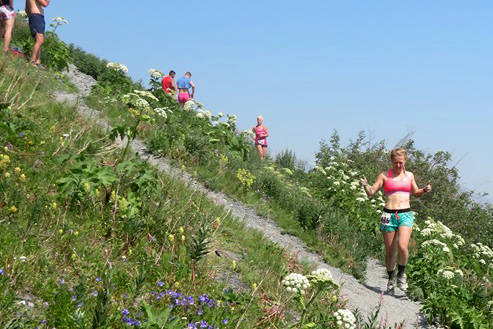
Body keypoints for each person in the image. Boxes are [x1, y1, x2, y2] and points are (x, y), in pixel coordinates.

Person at [360, 148, 431, 293]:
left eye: (401, 163)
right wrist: (365, 185)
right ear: (391, 161)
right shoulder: (385, 176)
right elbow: (371, 193)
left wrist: (424, 190)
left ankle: (401, 275)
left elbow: (416, 193)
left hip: (405, 214)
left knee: (403, 246)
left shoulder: (409, 176)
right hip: (388, 215)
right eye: (396, 162)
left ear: (405, 161)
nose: (398, 165)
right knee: (390, 251)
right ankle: (391, 278)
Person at [25, 0, 50, 66]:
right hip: (37, 16)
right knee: (39, 40)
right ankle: (32, 60)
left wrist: (30, 15)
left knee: (39, 40)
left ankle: (37, 61)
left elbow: (27, 8)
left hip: (36, 16)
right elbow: (45, 4)